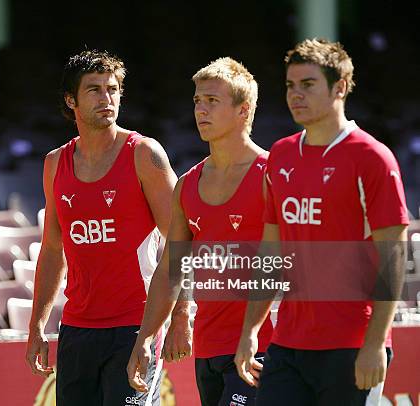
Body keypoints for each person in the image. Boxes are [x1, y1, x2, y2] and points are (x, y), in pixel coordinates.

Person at [234, 38, 409, 405]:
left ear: (340, 87)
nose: (296, 94)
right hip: (287, 345)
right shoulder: (279, 156)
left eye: (308, 84)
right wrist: (251, 330)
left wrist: (376, 343)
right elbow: (270, 249)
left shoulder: (372, 158)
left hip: (351, 345)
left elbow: (392, 258)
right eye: (290, 86)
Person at [25, 50, 178, 405]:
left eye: (113, 89)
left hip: (136, 327)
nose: (106, 98)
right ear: (70, 99)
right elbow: (51, 250)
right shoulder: (54, 164)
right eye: (94, 89)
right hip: (77, 329)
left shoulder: (144, 154)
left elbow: (181, 240)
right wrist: (36, 327)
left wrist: (183, 312)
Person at [127, 57, 273, 406]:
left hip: (264, 348)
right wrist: (145, 338)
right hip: (208, 350)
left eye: (212, 101)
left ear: (244, 110)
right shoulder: (187, 185)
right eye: (197, 101)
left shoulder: (273, 174)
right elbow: (170, 269)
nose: (200, 110)